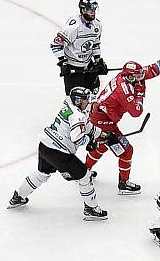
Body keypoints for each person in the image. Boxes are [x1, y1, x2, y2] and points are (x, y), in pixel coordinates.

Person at [85, 52, 160, 195]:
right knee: (126, 151)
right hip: (103, 122)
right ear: (130, 76)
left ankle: (83, 172)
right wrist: (140, 93)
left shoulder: (129, 77)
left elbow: (150, 71)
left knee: (103, 146)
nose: (141, 78)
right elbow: (136, 112)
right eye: (137, 76)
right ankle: (123, 184)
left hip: (100, 117)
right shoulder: (124, 90)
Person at [9, 87, 109, 221]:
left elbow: (86, 126)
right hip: (59, 153)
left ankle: (18, 196)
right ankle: (91, 208)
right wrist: (91, 142)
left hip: (45, 146)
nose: (88, 102)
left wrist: (102, 134)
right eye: (86, 100)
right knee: (85, 176)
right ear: (78, 101)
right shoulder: (78, 116)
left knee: (41, 174)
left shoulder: (69, 105)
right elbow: (77, 138)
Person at [51, 0, 108, 95]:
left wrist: (98, 60)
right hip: (73, 67)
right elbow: (56, 45)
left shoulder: (97, 25)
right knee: (76, 100)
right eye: (90, 10)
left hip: (88, 65)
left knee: (93, 94)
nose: (93, 12)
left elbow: (95, 44)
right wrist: (63, 63)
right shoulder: (73, 28)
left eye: (94, 9)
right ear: (83, 10)